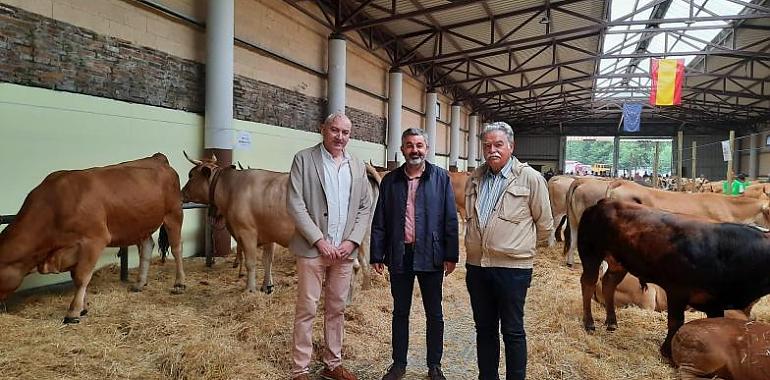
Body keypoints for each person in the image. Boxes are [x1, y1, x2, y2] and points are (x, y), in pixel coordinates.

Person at [463, 121, 553, 380]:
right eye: (487, 145)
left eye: (498, 145)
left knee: (513, 331)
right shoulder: (475, 178)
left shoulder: (530, 179)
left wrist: (518, 247)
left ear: (511, 147)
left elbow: (545, 225)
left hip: (513, 270)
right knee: (484, 329)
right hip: (478, 267)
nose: (492, 150)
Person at [287, 113, 372, 380]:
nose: (340, 137)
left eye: (345, 132)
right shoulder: (304, 159)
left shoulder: (357, 165)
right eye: (334, 130)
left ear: (350, 135)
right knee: (307, 309)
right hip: (314, 250)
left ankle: (332, 363)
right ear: (323, 129)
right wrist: (318, 240)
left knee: (337, 308)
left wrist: (352, 241)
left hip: (344, 253)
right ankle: (300, 368)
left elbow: (364, 207)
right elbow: (295, 204)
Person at [370, 128, 459, 380]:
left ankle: (434, 365)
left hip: (431, 254)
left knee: (434, 313)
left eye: (419, 145)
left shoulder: (441, 178)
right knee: (400, 312)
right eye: (409, 145)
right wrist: (377, 254)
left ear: (426, 149)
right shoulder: (390, 181)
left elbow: (450, 220)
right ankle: (398, 364)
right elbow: (380, 220)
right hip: (400, 254)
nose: (415, 150)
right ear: (402, 149)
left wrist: (450, 254)